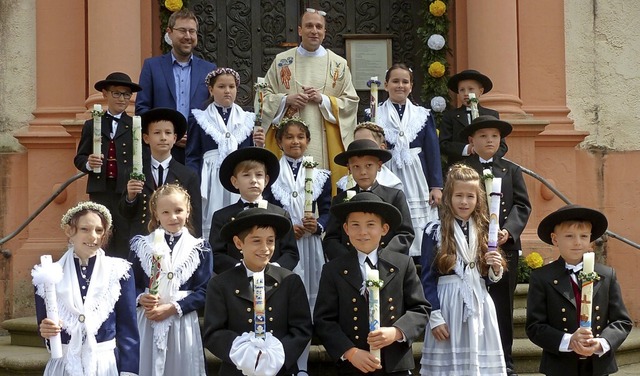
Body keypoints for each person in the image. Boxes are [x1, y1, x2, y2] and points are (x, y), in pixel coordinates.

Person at [314, 192, 430, 375]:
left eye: (370, 225)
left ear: (384, 229)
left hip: (395, 364)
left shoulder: (402, 264)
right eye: (355, 225)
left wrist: (397, 332)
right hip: (353, 366)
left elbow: (420, 309)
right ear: (345, 229)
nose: (363, 232)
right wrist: (350, 352)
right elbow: (324, 321)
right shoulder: (333, 270)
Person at [203, 207, 313, 376]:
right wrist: (244, 354)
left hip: (280, 369)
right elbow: (213, 332)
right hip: (237, 369)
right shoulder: (220, 284)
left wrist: (275, 357)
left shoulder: (290, 281)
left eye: (270, 241)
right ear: (239, 243)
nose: (265, 248)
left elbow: (302, 329)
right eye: (256, 241)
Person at [419, 164, 507, 375]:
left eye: (470, 196)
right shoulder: (435, 230)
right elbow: (427, 278)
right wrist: (435, 316)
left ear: (478, 200)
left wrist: (495, 267)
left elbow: (488, 278)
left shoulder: (487, 230)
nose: (464, 201)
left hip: (479, 304)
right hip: (447, 303)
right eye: (459, 195)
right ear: (448, 196)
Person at [34, 201, 139, 375]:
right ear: (69, 232)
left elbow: (128, 329)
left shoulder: (119, 272)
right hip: (65, 363)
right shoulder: (48, 274)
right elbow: (45, 324)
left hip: (104, 364)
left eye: (99, 230)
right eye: (85, 229)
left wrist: (129, 371)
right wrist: (46, 331)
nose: (93, 237)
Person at [461, 115, 531, 375]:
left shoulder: (512, 169)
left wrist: (508, 231)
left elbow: (522, 205)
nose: (489, 140)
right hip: (470, 248)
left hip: (503, 248)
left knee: (502, 306)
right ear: (472, 140)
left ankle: (505, 362)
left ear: (500, 140)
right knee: (472, 304)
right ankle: (475, 359)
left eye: (493, 136)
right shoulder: (462, 169)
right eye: (482, 136)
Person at [527, 205, 633, 376]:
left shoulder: (607, 275)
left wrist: (602, 343)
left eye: (584, 236)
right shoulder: (542, 277)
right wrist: (569, 341)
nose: (577, 242)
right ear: (555, 239)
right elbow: (535, 327)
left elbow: (622, 321)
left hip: (598, 366)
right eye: (569, 236)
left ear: (590, 239)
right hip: (560, 367)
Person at [261, 7, 359, 190]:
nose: (314, 31)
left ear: (324, 32)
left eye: (319, 27)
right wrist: (285, 100)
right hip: (289, 142)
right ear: (300, 30)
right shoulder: (282, 61)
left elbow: (351, 102)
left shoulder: (338, 64)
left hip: (324, 143)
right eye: (309, 26)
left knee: (322, 194)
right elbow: (263, 98)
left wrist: (324, 100)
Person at [267, 117, 331, 373]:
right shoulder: (271, 175)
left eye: (300, 137)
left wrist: (318, 225)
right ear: (280, 142)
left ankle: (303, 365)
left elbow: (328, 211)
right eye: (289, 137)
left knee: (309, 302)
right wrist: (284, 230)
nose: (295, 141)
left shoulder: (321, 175)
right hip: (283, 249)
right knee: (286, 302)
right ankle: (286, 361)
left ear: (308, 141)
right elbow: (269, 210)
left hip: (311, 246)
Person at [129, 184, 212, 376]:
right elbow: (129, 284)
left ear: (188, 211)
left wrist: (174, 307)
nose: (173, 217)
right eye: (165, 212)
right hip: (148, 318)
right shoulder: (142, 245)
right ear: (156, 214)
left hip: (181, 321)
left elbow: (205, 290)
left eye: (178, 211)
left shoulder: (199, 248)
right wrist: (141, 297)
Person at [374, 63, 443, 261]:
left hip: (417, 175)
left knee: (420, 224)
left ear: (411, 86)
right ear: (386, 85)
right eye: (395, 81)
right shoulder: (374, 113)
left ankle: (421, 260)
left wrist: (436, 186)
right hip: (388, 171)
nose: (400, 86)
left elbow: (432, 152)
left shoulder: (423, 115)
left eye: (405, 82)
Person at [186, 67, 263, 239]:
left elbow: (253, 156)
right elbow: (193, 155)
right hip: (210, 178)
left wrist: (259, 143)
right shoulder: (199, 119)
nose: (227, 91)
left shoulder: (248, 119)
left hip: (239, 177)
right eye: (221, 87)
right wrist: (194, 182)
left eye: (231, 86)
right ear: (211, 90)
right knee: (213, 218)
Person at [74, 72, 142, 259]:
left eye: (126, 94)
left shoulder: (135, 125)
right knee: (99, 231)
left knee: (123, 233)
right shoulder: (92, 124)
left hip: (124, 189)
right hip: (100, 188)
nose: (122, 99)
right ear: (106, 94)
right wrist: (88, 162)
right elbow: (79, 158)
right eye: (117, 93)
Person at [136, 8, 216, 164]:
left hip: (198, 153)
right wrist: (169, 135)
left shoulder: (208, 70)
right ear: (170, 32)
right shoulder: (152, 67)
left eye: (192, 31)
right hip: (161, 153)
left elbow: (214, 111)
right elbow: (142, 109)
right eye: (182, 31)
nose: (188, 36)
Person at [209, 147, 299, 274]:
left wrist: (273, 269)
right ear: (235, 182)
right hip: (237, 281)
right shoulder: (222, 217)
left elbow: (291, 253)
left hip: (273, 282)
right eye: (246, 175)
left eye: (259, 175)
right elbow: (216, 254)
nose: (253, 180)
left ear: (266, 180)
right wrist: (240, 269)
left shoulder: (280, 214)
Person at [323, 139, 414, 260]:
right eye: (356, 166)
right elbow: (331, 238)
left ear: (379, 166)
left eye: (369, 165)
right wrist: (349, 260)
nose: (363, 172)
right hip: (351, 266)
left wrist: (381, 257)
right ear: (349, 168)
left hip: (386, 263)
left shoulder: (394, 196)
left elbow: (405, 233)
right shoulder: (340, 200)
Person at [120, 107, 202, 238]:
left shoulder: (188, 175)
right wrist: (130, 197)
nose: (163, 137)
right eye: (157, 133)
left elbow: (195, 217)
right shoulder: (133, 172)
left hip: (176, 239)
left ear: (175, 138)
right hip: (143, 238)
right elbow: (124, 214)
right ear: (146, 138)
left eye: (168, 133)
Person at [439, 69, 507, 170]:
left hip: (488, 168)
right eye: (462, 90)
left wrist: (488, 157)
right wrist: (467, 149)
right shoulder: (450, 116)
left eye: (471, 89)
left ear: (480, 91)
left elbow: (502, 146)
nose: (466, 93)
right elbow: (444, 144)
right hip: (460, 168)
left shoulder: (491, 114)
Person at [336, 122, 403, 192]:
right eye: (358, 143)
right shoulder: (344, 184)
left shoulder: (392, 184)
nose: (362, 147)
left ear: (382, 148)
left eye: (368, 143)